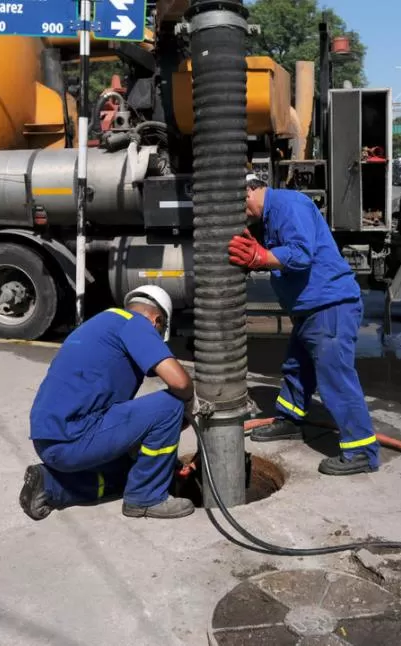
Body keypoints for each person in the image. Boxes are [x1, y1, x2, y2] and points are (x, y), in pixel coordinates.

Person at [228, 175, 381, 476]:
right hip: (311, 308)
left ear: (250, 189)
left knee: (335, 377)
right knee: (298, 367)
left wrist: (261, 256)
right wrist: (259, 255)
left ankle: (361, 451)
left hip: (329, 305)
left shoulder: (288, 204)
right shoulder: (272, 217)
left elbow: (300, 254)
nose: (239, 211)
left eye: (238, 202)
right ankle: (290, 420)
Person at [19, 285, 198, 520]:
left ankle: (49, 484)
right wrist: (187, 406)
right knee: (170, 406)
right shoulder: (136, 324)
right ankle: (146, 498)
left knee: (128, 472)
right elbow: (180, 382)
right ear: (157, 320)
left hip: (50, 443)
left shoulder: (102, 323)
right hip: (75, 438)